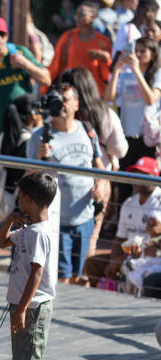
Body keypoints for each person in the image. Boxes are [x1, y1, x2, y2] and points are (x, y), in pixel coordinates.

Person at [27, 83, 108, 284]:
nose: (61, 104)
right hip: (56, 221)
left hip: (84, 217)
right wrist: (39, 159)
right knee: (60, 277)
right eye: (57, 99)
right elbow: (27, 178)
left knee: (79, 276)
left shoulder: (87, 130)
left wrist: (101, 183)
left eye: (65, 99)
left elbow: (99, 165)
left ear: (76, 105)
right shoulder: (39, 137)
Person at [0, 172, 58, 360]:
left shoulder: (39, 233)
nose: (18, 202)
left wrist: (21, 310)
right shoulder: (29, 230)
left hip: (32, 307)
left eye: (20, 197)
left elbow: (37, 272)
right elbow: (1, 243)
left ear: (29, 200)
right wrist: (10, 220)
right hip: (24, 305)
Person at [59, 67, 128, 256]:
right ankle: (81, 274)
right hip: (98, 182)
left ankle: (66, 273)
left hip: (66, 179)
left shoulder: (61, 115)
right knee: (90, 236)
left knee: (61, 232)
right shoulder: (105, 114)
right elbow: (121, 149)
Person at [0, 16, 51, 155]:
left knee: (30, 170)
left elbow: (46, 80)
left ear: (7, 36)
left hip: (26, 127)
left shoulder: (19, 52)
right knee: (1, 172)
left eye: (2, 34)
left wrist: (25, 64)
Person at [83, 157, 161, 287]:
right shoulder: (129, 203)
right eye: (135, 174)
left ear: (155, 176)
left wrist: (120, 260)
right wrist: (114, 260)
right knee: (92, 263)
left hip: (153, 257)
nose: (138, 179)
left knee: (129, 267)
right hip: (129, 255)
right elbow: (120, 239)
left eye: (143, 175)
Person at [104, 36, 161, 202]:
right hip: (127, 137)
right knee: (124, 187)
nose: (138, 54)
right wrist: (117, 70)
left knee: (147, 187)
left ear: (153, 54)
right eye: (136, 50)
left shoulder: (157, 74)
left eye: (143, 51)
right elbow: (108, 97)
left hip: (147, 140)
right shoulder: (126, 75)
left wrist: (136, 71)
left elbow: (150, 99)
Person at [47, 1, 113, 96]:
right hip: (71, 90)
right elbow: (56, 64)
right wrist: (45, 86)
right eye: (76, 14)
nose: (77, 17)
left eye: (81, 14)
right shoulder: (67, 37)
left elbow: (107, 72)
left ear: (93, 16)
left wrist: (106, 58)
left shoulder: (102, 41)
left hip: (94, 91)